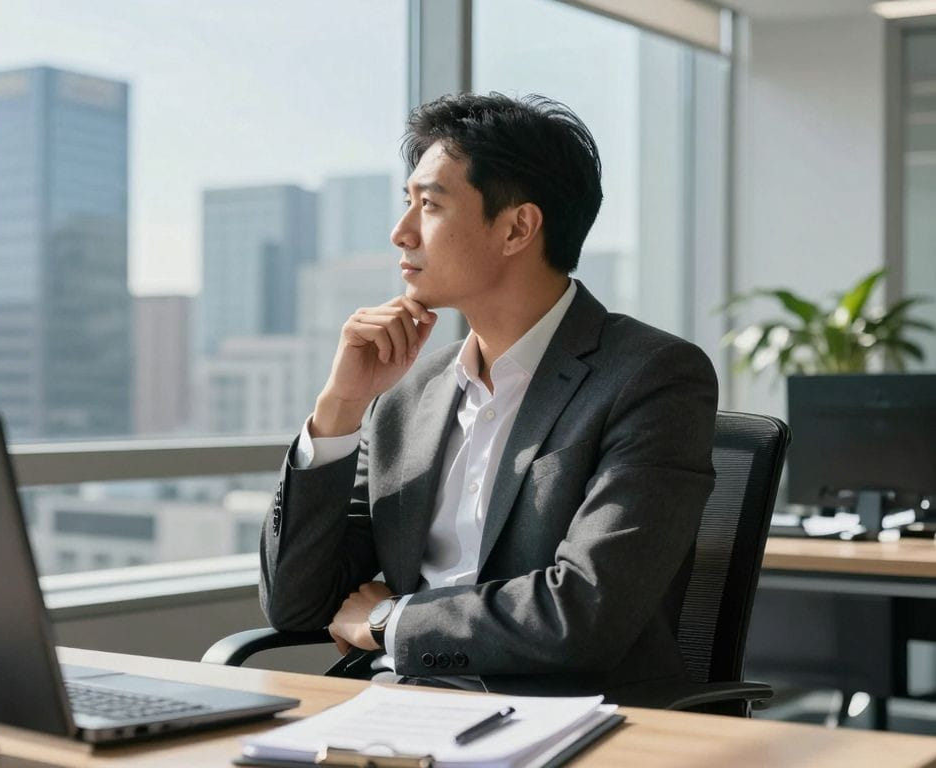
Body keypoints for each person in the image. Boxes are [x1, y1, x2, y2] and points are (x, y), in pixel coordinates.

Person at [258, 92, 717, 697]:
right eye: (407, 205)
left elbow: (582, 614)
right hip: (404, 709)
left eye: (430, 205)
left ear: (517, 228)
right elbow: (295, 603)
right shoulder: (409, 394)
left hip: (570, 720)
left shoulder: (652, 376)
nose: (401, 233)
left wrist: (386, 621)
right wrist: (339, 408)